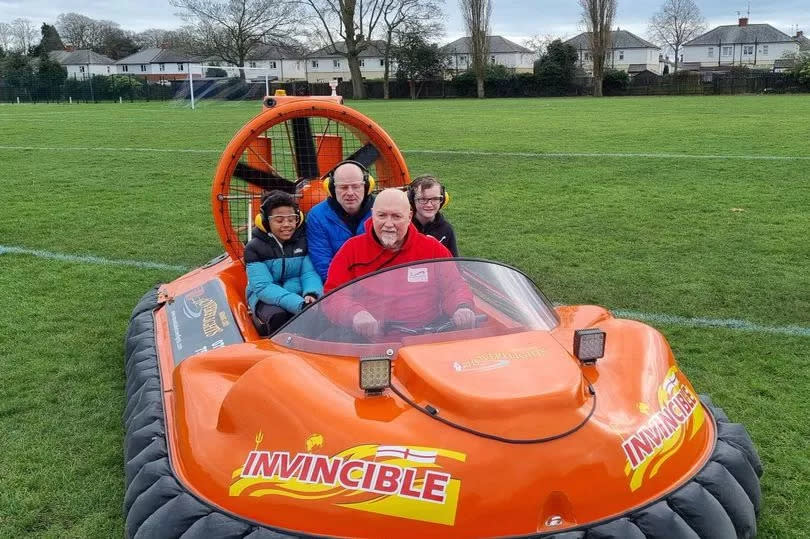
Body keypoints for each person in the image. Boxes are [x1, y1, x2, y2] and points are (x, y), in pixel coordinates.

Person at [323, 188, 475, 339]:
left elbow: (455, 286)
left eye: (396, 216)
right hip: (371, 341)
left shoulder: (433, 249)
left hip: (428, 336)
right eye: (382, 215)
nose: (388, 224)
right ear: (373, 215)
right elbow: (333, 296)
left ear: (409, 217)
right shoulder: (352, 250)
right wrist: (356, 314)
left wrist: (461, 306)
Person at [244, 191, 323, 335]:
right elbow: (263, 287)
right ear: (266, 221)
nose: (287, 225)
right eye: (279, 221)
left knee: (318, 313)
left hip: (299, 293)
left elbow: (309, 273)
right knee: (278, 316)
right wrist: (298, 304)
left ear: (298, 220)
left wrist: (311, 293)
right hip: (265, 298)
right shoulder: (253, 248)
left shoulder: (305, 241)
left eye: (291, 219)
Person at [306, 160, 374, 281]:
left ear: (367, 186)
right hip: (339, 287)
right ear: (331, 188)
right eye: (343, 187)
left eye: (356, 186)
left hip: (375, 283)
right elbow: (323, 263)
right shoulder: (316, 216)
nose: (350, 193)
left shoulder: (382, 210)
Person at [408, 174, 458, 256]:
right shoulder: (404, 226)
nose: (429, 205)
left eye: (435, 199)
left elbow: (454, 262)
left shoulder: (446, 229)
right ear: (412, 200)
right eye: (423, 199)